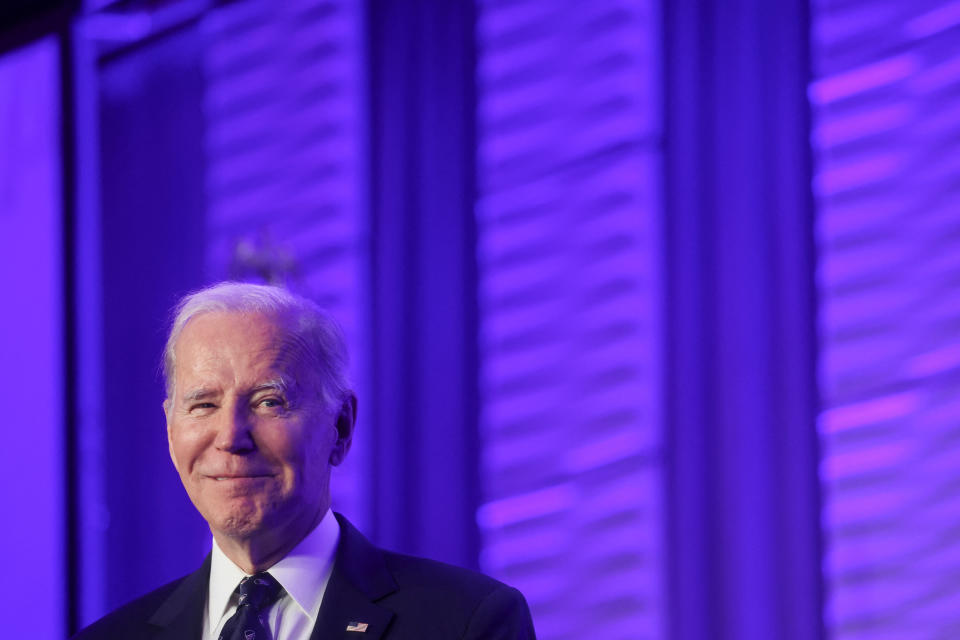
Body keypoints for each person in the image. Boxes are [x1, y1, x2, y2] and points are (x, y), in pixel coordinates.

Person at [74, 282, 536, 640]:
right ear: (171, 432)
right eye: (203, 405)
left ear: (340, 428)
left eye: (269, 402)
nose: (232, 437)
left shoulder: (466, 624)